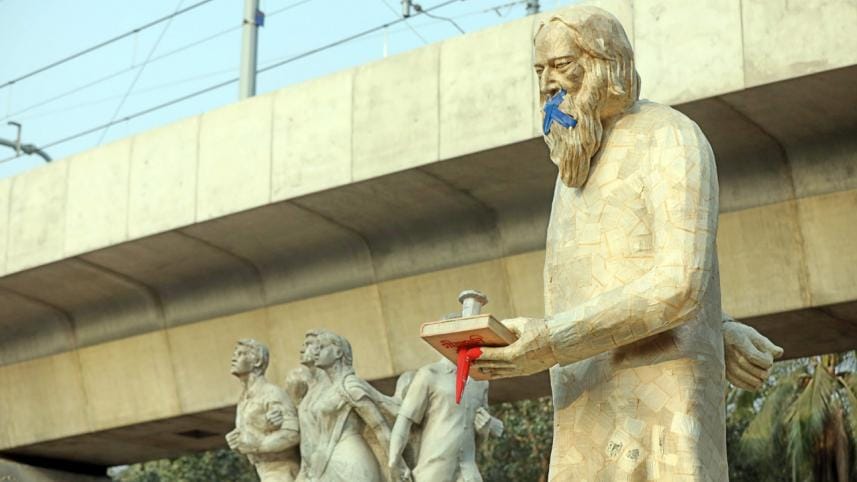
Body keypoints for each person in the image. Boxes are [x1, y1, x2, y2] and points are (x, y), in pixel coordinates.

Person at [473, 7, 780, 480]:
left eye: (561, 65)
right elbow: (627, 273)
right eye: (539, 70)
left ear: (605, 64)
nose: (547, 84)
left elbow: (679, 283)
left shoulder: (672, 137)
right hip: (584, 399)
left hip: (659, 407)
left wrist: (550, 341)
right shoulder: (572, 171)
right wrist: (716, 325)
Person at [297, 329, 411, 481]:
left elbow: (379, 427)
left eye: (322, 347)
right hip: (330, 460)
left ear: (338, 352)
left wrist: (397, 463)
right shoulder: (327, 389)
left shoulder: (350, 385)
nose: (316, 352)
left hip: (351, 460)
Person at [388, 357, 503, 482]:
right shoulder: (429, 374)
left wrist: (483, 431)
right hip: (434, 471)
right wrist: (394, 460)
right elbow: (403, 422)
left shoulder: (481, 382)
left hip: (468, 473)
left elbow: (479, 441)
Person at [227, 339, 300, 481]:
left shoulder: (272, 393)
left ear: (257, 362)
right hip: (263, 471)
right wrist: (237, 441)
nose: (234, 357)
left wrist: (258, 445)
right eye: (235, 353)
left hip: (282, 472)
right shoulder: (243, 400)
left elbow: (292, 433)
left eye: (241, 354)